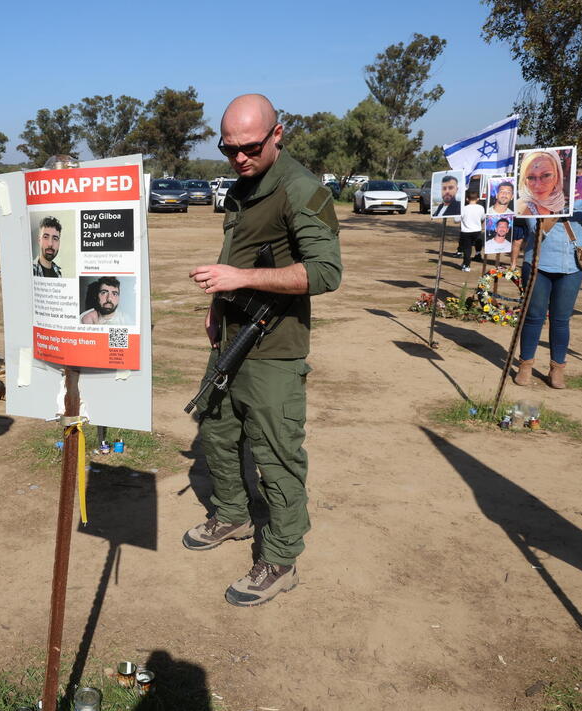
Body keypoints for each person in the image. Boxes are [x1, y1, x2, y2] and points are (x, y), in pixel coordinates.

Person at [186, 93, 342, 607]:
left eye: (249, 147)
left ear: (278, 134)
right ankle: (231, 513)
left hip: (274, 348)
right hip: (231, 337)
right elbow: (238, 251)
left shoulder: (301, 190)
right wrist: (220, 301)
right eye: (229, 148)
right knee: (216, 428)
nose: (239, 158)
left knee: (276, 455)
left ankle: (279, 557)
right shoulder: (242, 185)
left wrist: (242, 277)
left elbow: (325, 272)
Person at [510, 184, 582, 387]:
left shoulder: (581, 197)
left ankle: (557, 368)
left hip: (571, 267)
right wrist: (559, 207)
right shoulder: (532, 196)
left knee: (561, 320)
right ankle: (525, 365)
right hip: (539, 265)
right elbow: (537, 230)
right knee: (533, 317)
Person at [516, 150, 567, 216]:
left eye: (546, 175)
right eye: (530, 177)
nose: (538, 185)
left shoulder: (558, 201)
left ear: (558, 176)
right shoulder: (522, 209)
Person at [454, 190, 485, 272]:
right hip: (477, 230)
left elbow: (456, 220)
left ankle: (467, 265)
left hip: (466, 232)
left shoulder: (464, 208)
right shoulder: (481, 208)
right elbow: (483, 218)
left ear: (467, 199)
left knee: (467, 249)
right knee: (478, 243)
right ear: (478, 198)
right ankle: (477, 254)